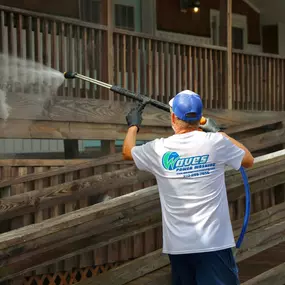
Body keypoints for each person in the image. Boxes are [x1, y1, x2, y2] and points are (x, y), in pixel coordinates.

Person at [122, 90, 254, 285]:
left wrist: (133, 125)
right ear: (200, 118)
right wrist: (218, 131)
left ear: (173, 117)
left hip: (179, 247)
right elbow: (248, 160)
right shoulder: (215, 142)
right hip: (214, 244)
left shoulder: (159, 149)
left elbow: (127, 152)